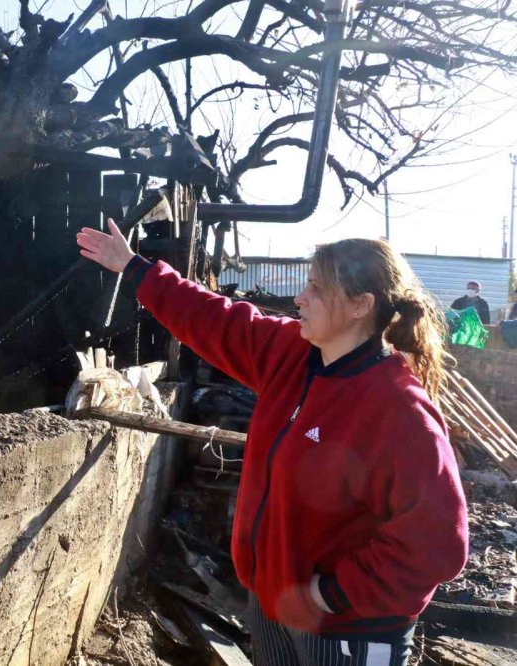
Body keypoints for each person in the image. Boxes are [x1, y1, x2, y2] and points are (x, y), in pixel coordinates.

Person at [77, 222, 468, 666]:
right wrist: (133, 268)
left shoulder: (398, 410)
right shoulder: (293, 353)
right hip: (273, 604)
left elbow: (436, 545)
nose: (300, 298)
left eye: (317, 289)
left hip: (348, 628)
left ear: (361, 305)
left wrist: (331, 593)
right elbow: (213, 318)